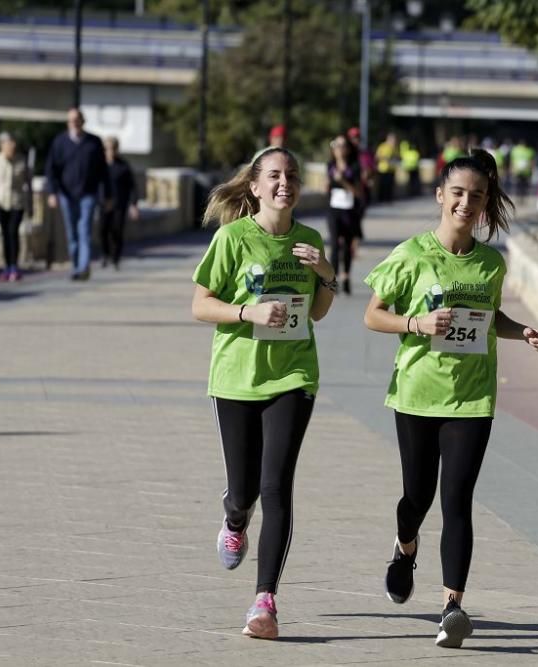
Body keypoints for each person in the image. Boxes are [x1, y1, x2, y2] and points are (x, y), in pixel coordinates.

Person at [363, 148, 538, 648]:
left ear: (487, 205)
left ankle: (452, 607)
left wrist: (521, 330)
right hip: (417, 393)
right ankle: (405, 549)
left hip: (471, 399)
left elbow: (491, 319)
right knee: (416, 498)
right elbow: (373, 315)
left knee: (458, 500)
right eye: (459, 193)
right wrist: (416, 323)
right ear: (441, 195)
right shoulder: (411, 254)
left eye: (478, 196)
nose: (467, 203)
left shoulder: (491, 263)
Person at [191, 146, 337, 640]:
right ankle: (234, 517)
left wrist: (327, 275)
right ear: (254, 187)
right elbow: (200, 304)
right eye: (274, 176)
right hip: (236, 378)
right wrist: (247, 312)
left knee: (276, 487)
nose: (284, 183)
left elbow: (317, 313)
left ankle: (265, 602)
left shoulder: (311, 241)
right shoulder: (233, 239)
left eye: (292, 175)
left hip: (294, 378)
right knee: (246, 491)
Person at [45, 107, 112, 281]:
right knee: (72, 233)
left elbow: (103, 171)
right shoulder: (60, 143)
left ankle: (83, 267)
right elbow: (51, 170)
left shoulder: (94, 143)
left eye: (77, 119)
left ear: (83, 121)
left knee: (84, 231)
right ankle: (75, 265)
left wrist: (107, 194)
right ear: (68, 123)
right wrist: (52, 193)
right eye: (71, 120)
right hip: (67, 195)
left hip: (88, 194)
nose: (74, 123)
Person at [0, 131, 31, 281]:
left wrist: (30, 206)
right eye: (8, 143)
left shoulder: (22, 161)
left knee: (13, 233)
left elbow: (28, 184)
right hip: (0, 203)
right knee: (4, 235)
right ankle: (6, 266)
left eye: (13, 143)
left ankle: (14, 266)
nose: (12, 146)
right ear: (2, 145)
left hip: (16, 203)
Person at [326, 134, 364, 295]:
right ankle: (333, 280)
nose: (339, 149)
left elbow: (358, 192)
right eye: (336, 145)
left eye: (342, 145)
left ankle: (346, 276)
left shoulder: (354, 167)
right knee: (335, 245)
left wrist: (343, 181)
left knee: (348, 245)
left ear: (348, 149)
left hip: (349, 210)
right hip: (334, 209)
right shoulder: (330, 166)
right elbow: (326, 188)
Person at [100, 137, 140, 270]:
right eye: (107, 149)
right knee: (103, 230)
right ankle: (105, 254)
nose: (110, 151)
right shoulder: (100, 166)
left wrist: (134, 204)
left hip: (119, 203)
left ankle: (115, 258)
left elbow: (132, 186)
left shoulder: (123, 166)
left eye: (113, 148)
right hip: (104, 203)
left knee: (117, 230)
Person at [374, 132, 399, 203]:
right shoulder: (382, 146)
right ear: (388, 139)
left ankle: (389, 199)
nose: (394, 141)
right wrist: (385, 158)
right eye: (392, 139)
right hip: (383, 169)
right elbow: (377, 156)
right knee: (382, 185)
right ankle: (381, 199)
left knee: (390, 185)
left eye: (394, 140)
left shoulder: (395, 148)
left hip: (391, 169)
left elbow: (397, 157)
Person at [508, 139, 535, 203]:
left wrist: (511, 169)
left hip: (518, 171)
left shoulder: (515, 150)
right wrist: (532, 170)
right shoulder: (530, 151)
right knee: (524, 186)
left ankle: (519, 198)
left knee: (518, 185)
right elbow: (532, 162)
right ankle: (522, 198)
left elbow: (512, 161)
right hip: (526, 172)